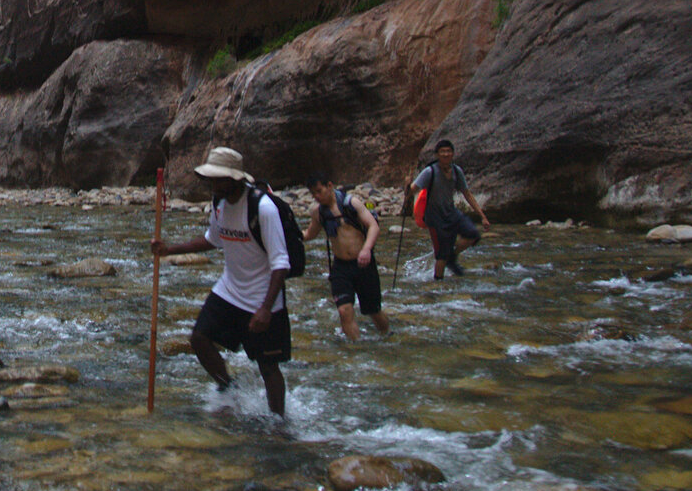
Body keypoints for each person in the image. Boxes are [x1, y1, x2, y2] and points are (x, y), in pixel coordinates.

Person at [151, 146, 292, 416]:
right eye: (211, 179)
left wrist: (265, 308)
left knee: (268, 366)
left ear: (235, 179)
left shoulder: (263, 208)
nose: (212, 184)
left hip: (263, 298)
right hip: (229, 290)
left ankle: (278, 423)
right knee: (199, 339)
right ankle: (228, 388)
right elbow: (211, 240)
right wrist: (169, 250)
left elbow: (280, 263)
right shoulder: (219, 204)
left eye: (218, 179)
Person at [309, 173, 388, 340]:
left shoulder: (351, 203)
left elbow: (373, 226)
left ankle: (387, 336)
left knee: (373, 311)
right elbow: (310, 234)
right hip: (340, 267)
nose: (316, 196)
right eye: (313, 194)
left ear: (329, 185)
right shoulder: (318, 212)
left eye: (319, 191)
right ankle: (356, 350)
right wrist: (286, 235)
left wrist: (366, 249)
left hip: (363, 264)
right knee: (344, 310)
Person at [405, 139, 491, 280]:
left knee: (473, 234)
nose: (446, 154)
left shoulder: (457, 171)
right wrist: (407, 186)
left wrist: (482, 216)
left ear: (453, 154)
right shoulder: (430, 172)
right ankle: (439, 285)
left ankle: (452, 257)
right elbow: (412, 191)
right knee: (442, 254)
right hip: (435, 217)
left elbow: (467, 194)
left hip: (451, 213)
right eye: (442, 152)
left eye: (448, 151)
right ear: (437, 154)